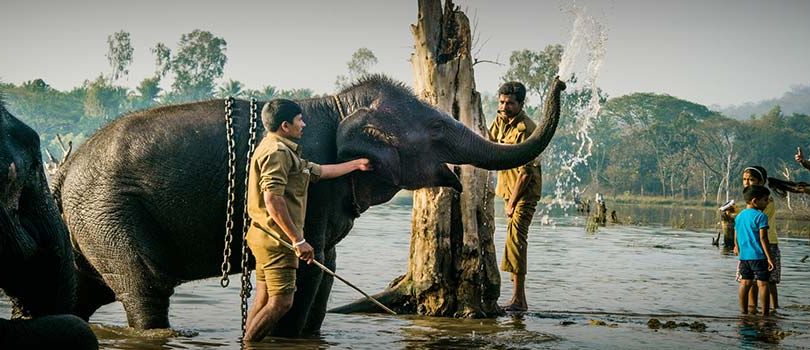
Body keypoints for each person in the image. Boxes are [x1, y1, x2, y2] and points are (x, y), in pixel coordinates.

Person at [244, 99, 372, 341]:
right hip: (277, 241)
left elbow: (319, 172)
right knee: (281, 302)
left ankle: (247, 341)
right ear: (285, 125)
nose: (303, 124)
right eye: (299, 120)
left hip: (265, 237)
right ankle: (248, 345)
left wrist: (356, 164)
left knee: (264, 299)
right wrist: (298, 239)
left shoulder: (276, 147)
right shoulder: (277, 153)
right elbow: (272, 198)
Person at [487, 81, 542, 312]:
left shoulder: (527, 129)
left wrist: (512, 202)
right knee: (510, 241)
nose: (504, 106)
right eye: (501, 102)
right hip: (507, 190)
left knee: (516, 242)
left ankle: (519, 300)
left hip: (524, 194)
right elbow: (487, 142)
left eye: (510, 103)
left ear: (520, 104)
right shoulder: (501, 121)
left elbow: (526, 173)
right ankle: (513, 298)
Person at [726, 166, 780, 312]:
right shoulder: (753, 208)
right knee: (759, 282)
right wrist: (736, 245)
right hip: (756, 249)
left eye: (751, 179)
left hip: (762, 246)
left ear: (761, 181)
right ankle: (756, 310)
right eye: (745, 179)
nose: (747, 182)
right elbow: (755, 228)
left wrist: (734, 214)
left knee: (766, 281)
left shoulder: (766, 201)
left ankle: (771, 309)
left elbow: (750, 224)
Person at [733, 184, 775, 316]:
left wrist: (737, 247)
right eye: (765, 199)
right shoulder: (761, 216)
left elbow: (736, 234)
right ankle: (765, 314)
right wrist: (769, 258)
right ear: (755, 201)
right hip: (758, 256)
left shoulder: (740, 216)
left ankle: (744, 312)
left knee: (745, 283)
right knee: (763, 284)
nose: (767, 202)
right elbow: (763, 238)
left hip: (744, 257)